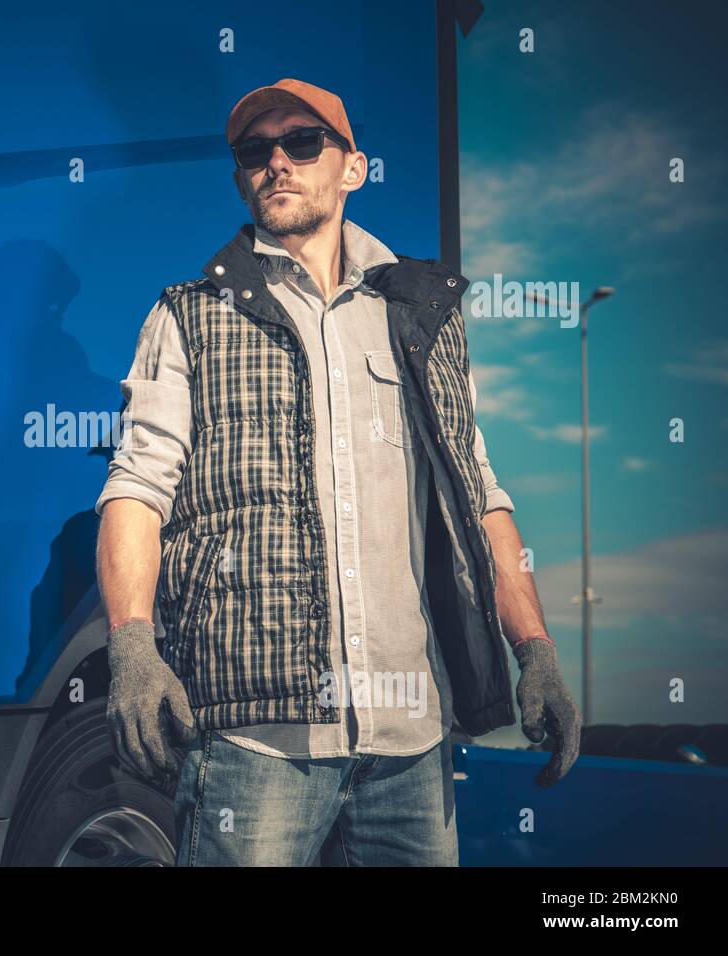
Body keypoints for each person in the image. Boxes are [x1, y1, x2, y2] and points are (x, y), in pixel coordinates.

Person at [93, 77, 581, 866]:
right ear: (241, 177)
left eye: (302, 143)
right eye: (256, 151)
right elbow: (136, 491)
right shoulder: (187, 315)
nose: (276, 162)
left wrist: (537, 651)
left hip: (412, 740)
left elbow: (478, 498)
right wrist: (132, 649)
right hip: (258, 742)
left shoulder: (420, 318)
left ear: (353, 168)